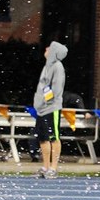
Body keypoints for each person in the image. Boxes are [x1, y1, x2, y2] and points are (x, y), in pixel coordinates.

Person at [33, 41, 68, 179]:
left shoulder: (57, 67)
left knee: (54, 137)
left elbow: (56, 88)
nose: (46, 48)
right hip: (42, 108)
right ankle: (45, 166)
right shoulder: (47, 66)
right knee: (43, 138)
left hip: (51, 108)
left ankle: (53, 167)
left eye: (49, 47)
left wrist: (47, 101)